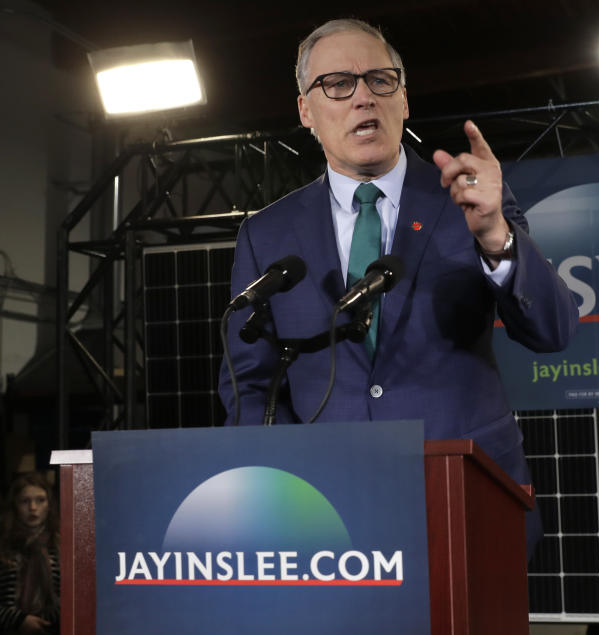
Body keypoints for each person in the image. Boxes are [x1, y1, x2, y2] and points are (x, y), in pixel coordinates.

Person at [218, 18, 578, 549]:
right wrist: (273, 491)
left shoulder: (470, 203)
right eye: (338, 84)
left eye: (380, 80)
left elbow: (553, 331)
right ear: (306, 112)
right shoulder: (265, 234)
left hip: (467, 496)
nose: (363, 97)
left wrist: (496, 237)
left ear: (403, 99)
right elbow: (249, 385)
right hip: (327, 511)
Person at [0, 473, 60, 635]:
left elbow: (76, 597)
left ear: (49, 504)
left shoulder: (63, 546)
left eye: (40, 500)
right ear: (15, 506)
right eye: (24, 501)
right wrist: (19, 620)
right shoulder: (3, 546)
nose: (33, 508)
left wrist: (45, 623)